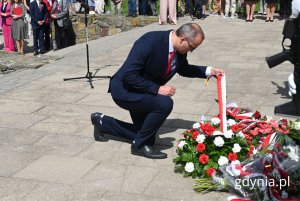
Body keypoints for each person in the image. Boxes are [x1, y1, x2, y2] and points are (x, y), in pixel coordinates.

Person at [91, 23, 224, 159]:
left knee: (148, 137)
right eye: (192, 47)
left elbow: (183, 68)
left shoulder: (178, 50)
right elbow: (129, 75)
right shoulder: (149, 41)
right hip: (125, 91)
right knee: (164, 103)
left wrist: (209, 71)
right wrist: (157, 89)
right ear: (183, 38)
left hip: (142, 91)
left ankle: (102, 122)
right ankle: (139, 146)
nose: (191, 51)